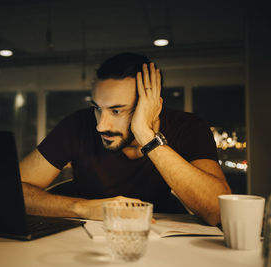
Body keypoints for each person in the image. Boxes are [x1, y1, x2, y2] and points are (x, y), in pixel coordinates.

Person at [20, 53, 231, 226]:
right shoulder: (76, 125)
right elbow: (13, 191)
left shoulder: (188, 127)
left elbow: (218, 212)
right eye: (97, 108)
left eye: (116, 111)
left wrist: (146, 135)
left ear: (150, 108)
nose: (100, 125)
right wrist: (83, 208)